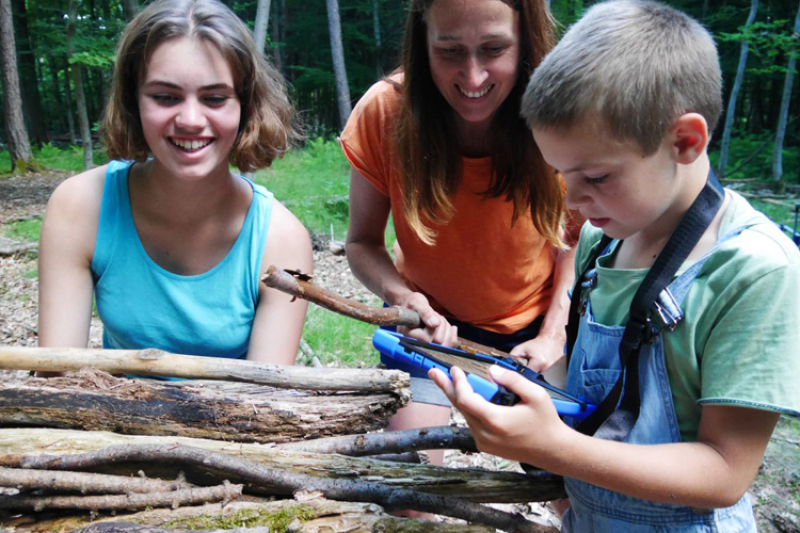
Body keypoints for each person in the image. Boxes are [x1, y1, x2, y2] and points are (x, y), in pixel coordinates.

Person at [430, 1, 800, 530]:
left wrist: (559, 449)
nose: (574, 202)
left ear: (685, 141)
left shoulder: (753, 272)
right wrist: (523, 392)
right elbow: (584, 386)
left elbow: (725, 473)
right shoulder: (600, 244)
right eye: (561, 174)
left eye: (596, 177)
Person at [340, 0, 581, 464]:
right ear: (421, 43)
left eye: (494, 49)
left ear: (527, 41)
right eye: (449, 51)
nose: (472, 78)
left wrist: (554, 335)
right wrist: (404, 300)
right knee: (408, 485)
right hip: (428, 326)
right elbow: (362, 243)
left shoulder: (562, 113)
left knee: (566, 481)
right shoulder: (386, 112)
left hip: (532, 328)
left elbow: (576, 241)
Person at [38, 0, 312, 365]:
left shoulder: (282, 239)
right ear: (133, 102)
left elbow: (267, 402)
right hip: (107, 417)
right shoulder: (79, 206)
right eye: (165, 97)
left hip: (236, 418)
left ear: (246, 106)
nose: (191, 120)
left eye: (215, 98)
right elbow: (58, 379)